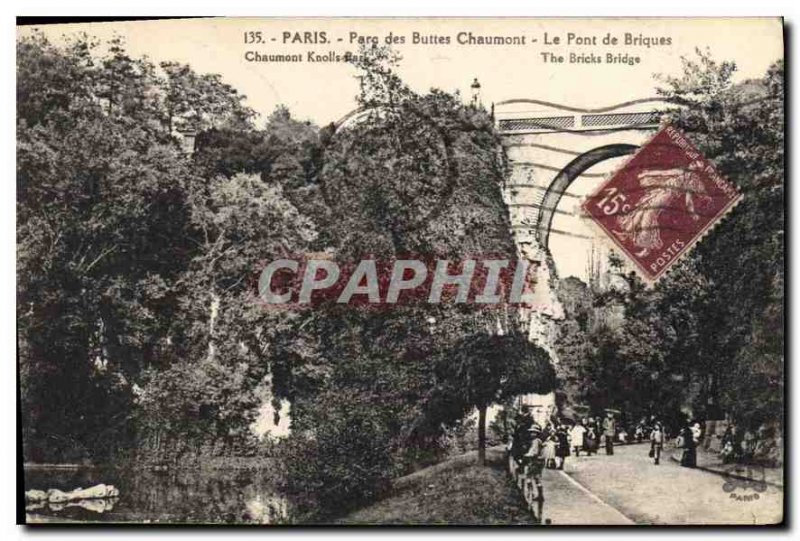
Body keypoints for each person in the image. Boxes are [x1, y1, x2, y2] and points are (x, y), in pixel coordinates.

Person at [523, 425, 545, 502]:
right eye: (531, 432)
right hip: (539, 462)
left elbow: (534, 452)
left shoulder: (535, 441)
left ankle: (530, 493)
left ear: (537, 433)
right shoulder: (538, 441)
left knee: (528, 476)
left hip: (534, 461)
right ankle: (540, 495)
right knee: (537, 478)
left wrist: (526, 455)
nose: (532, 434)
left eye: (534, 433)